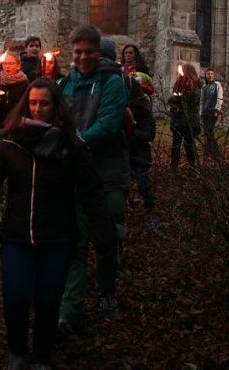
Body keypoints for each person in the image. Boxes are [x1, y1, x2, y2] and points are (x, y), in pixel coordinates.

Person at [0, 79, 115, 369]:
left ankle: (41, 356)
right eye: (32, 103)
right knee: (15, 297)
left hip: (57, 237)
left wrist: (103, 233)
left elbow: (91, 189)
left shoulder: (70, 145)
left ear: (56, 107)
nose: (37, 108)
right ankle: (17, 350)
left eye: (44, 103)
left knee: (48, 300)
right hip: (17, 236)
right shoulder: (13, 143)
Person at [58, 24, 129, 332]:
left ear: (98, 51)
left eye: (88, 51)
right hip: (75, 176)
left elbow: (109, 122)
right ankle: (69, 312)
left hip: (107, 174)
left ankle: (106, 292)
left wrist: (77, 144)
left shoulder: (112, 81)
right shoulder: (66, 84)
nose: (82, 57)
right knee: (74, 242)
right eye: (77, 52)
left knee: (107, 238)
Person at [169, 62, 200, 171]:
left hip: (189, 119)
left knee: (189, 144)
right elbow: (172, 98)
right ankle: (174, 165)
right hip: (178, 119)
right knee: (176, 143)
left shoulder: (196, 84)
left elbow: (192, 99)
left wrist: (181, 98)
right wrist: (175, 100)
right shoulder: (178, 83)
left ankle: (192, 166)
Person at [200, 67, 224, 160]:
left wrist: (217, 109)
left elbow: (219, 97)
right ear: (205, 76)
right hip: (205, 111)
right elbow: (202, 101)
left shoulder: (217, 85)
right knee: (207, 132)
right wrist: (201, 112)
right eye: (208, 74)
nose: (210, 76)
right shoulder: (204, 87)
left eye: (211, 74)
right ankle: (209, 150)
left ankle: (216, 153)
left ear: (213, 76)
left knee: (209, 130)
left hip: (213, 111)